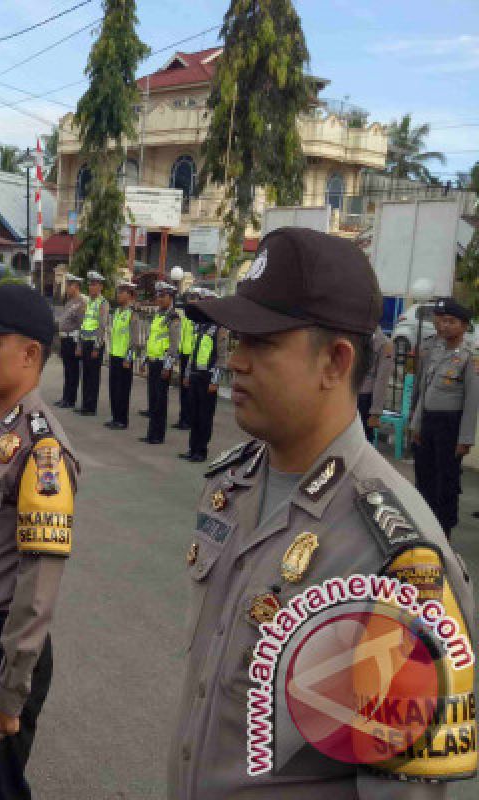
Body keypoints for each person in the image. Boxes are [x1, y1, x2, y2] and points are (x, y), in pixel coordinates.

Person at [168, 227, 476, 798]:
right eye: (236, 340)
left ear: (335, 362)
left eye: (260, 343)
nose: (235, 362)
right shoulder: (233, 482)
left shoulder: (398, 563)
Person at [0, 284, 78, 800]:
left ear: (29, 354)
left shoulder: (42, 448)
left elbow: (38, 586)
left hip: (0, 653)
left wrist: (10, 688)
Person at [411, 298, 479, 538]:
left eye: (450, 321)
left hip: (450, 427)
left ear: (463, 326)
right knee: (424, 475)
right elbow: (424, 390)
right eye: (440, 321)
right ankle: (424, 525)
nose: (443, 326)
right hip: (428, 422)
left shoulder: (470, 356)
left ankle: (443, 531)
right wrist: (416, 424)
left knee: (446, 481)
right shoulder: (435, 351)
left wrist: (465, 438)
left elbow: (472, 402)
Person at [177, 289, 228, 463]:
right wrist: (186, 373)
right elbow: (192, 353)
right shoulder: (199, 326)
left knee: (205, 415)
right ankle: (192, 448)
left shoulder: (220, 329)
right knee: (194, 413)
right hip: (196, 375)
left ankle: (201, 451)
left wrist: (215, 381)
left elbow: (221, 358)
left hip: (208, 378)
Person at [142, 281, 182, 445]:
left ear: (171, 297)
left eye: (163, 295)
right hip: (153, 361)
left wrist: (168, 366)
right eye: (158, 295)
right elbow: (152, 339)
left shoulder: (173, 318)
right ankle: (151, 433)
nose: (159, 298)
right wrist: (146, 358)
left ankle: (158, 435)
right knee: (152, 400)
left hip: (162, 364)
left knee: (160, 401)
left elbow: (174, 345)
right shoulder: (158, 315)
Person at [104, 280, 137, 430]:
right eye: (118, 292)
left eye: (122, 292)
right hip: (114, 355)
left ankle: (122, 420)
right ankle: (115, 416)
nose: (118, 295)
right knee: (114, 388)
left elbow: (134, 340)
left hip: (124, 358)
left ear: (129, 295)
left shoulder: (132, 314)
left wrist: (128, 357)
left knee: (123, 390)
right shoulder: (117, 312)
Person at [77, 270, 109, 416]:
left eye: (94, 285)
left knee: (93, 376)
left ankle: (91, 406)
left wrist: (97, 346)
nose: (91, 287)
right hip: (85, 342)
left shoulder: (103, 303)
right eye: (90, 285)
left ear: (100, 287)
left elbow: (102, 327)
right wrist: (79, 344)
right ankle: (84, 404)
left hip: (95, 344)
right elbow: (83, 323)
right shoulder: (88, 302)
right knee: (86, 374)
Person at [55, 277, 85, 410]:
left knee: (73, 371)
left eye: (69, 286)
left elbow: (81, 326)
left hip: (74, 340)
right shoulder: (69, 302)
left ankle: (71, 399)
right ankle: (65, 397)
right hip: (65, 340)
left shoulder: (81, 303)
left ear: (76, 287)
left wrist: (79, 345)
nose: (66, 289)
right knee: (67, 370)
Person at [359, 324, 395, 427]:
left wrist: (375, 412)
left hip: (366, 398)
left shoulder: (385, 344)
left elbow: (382, 380)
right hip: (350, 395)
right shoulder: (355, 338)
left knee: (364, 437)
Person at [173, 294, 195, 431]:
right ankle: (183, 418)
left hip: (192, 357)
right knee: (183, 390)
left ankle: (188, 419)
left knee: (190, 390)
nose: (189, 302)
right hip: (184, 354)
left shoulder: (197, 319)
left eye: (193, 299)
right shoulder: (186, 317)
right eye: (189, 299)